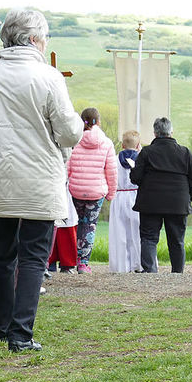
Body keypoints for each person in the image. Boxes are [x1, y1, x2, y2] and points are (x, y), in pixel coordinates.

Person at [0, 9, 82, 352]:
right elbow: (69, 131)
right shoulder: (48, 77)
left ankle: (1, 324)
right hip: (40, 176)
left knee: (2, 251)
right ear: (34, 40)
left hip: (0, 173)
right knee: (33, 256)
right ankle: (21, 333)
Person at [130, 117, 192, 273]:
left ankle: (150, 272)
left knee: (148, 238)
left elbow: (135, 178)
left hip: (150, 203)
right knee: (177, 241)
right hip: (178, 203)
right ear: (171, 132)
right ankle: (177, 273)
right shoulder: (185, 152)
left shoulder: (146, 153)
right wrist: (189, 198)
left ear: (155, 133)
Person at [66, 107, 116, 273]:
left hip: (77, 190)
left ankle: (77, 258)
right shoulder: (106, 143)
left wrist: (65, 183)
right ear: (99, 121)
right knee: (90, 225)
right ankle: (83, 262)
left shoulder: (74, 141)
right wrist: (111, 193)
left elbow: (68, 166)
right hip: (96, 191)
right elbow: (111, 171)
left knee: (81, 222)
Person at [108, 130, 142, 273]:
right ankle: (139, 264)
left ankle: (121, 266)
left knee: (119, 232)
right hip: (135, 195)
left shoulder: (114, 159)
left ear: (122, 145)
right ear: (138, 145)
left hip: (119, 196)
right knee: (137, 232)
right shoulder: (141, 159)